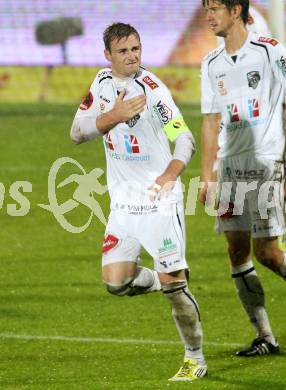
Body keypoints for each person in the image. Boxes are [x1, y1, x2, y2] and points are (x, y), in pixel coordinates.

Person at [70, 22, 207, 381]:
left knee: (177, 292)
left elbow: (184, 138)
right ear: (107, 55)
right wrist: (112, 116)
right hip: (122, 204)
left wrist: (170, 174)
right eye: (123, 51)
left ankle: (195, 358)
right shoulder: (101, 84)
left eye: (136, 49)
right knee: (116, 283)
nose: (132, 56)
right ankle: (166, 279)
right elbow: (76, 132)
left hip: (160, 200)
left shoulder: (153, 90)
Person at [200, 0, 286, 357]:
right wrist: (207, 175)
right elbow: (210, 120)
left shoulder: (270, 53)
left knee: (267, 253)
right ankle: (265, 337)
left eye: (216, 8)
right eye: (207, 9)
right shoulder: (210, 62)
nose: (209, 16)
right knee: (236, 250)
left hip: (265, 162)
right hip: (231, 166)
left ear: (236, 11)